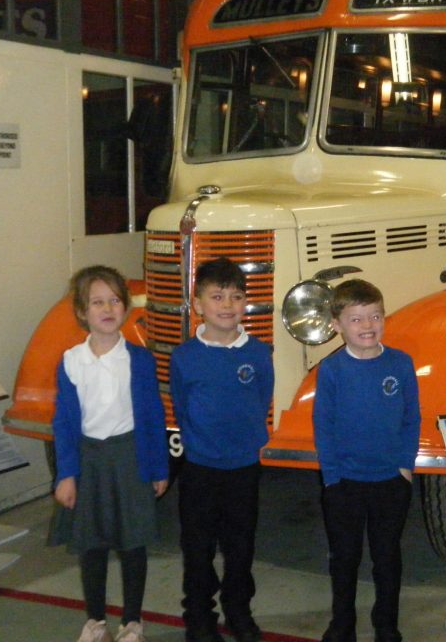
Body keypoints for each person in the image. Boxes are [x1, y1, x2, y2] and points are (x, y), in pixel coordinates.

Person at [51, 266, 169, 642]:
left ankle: (132, 621)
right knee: (92, 544)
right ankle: (96, 620)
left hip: (130, 458)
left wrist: (157, 467)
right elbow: (64, 424)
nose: (107, 308)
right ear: (83, 311)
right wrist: (66, 474)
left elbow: (152, 416)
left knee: (133, 543)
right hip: (89, 461)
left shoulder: (139, 359)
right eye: (97, 302)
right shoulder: (71, 360)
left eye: (114, 300)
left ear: (126, 307)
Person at [170, 257, 274, 642]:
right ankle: (199, 615)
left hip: (243, 467)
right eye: (217, 296)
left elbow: (262, 397)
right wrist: (201, 444)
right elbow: (182, 406)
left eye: (236, 296)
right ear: (198, 304)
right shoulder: (184, 357)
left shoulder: (258, 354)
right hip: (199, 468)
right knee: (197, 548)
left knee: (240, 546)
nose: (227, 305)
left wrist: (245, 442)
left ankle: (238, 610)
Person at [313, 278, 421, 642]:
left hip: (390, 481)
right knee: (344, 559)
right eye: (356, 319)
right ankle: (342, 622)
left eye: (375, 316)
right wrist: (331, 478)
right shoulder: (331, 370)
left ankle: (386, 623)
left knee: (387, 558)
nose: (368, 326)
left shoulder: (401, 364)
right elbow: (323, 425)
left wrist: (405, 466)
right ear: (336, 325)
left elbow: (411, 418)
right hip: (344, 483)